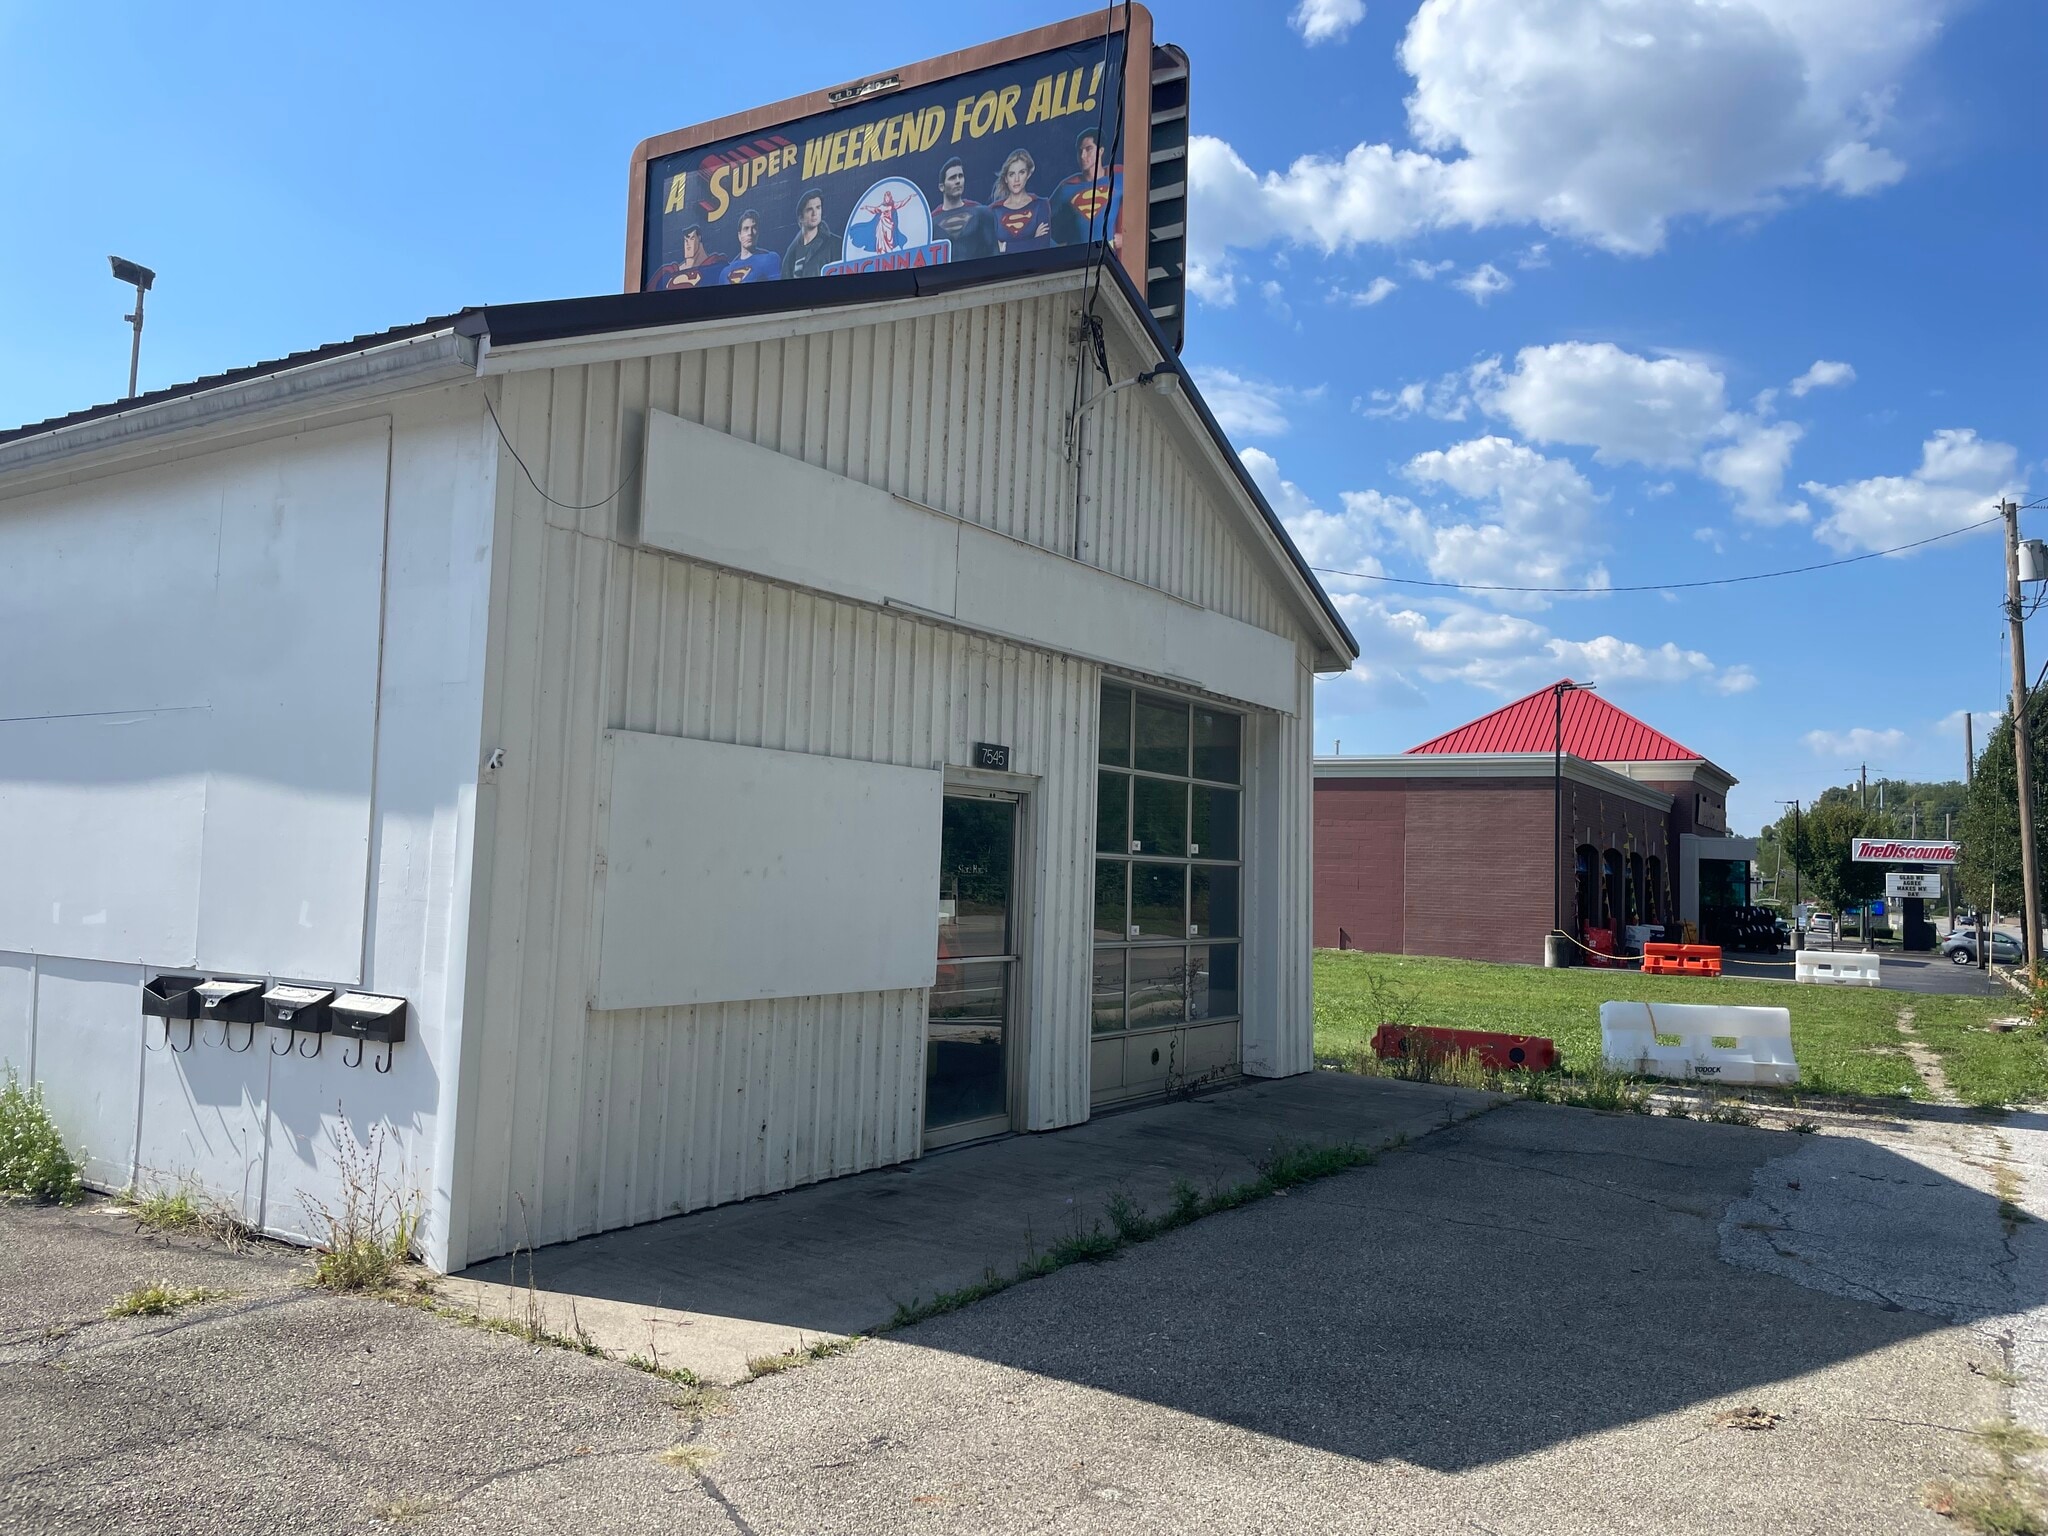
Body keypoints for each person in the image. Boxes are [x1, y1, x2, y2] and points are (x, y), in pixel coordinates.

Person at [1051, 126, 1123, 250]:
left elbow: (1141, 211)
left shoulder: (1120, 179)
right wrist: (1059, 251)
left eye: (1088, 149)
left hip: (1109, 261)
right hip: (1079, 261)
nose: (1083, 155)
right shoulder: (1066, 188)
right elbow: (1043, 221)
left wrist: (1128, 237)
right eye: (1080, 151)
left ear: (1100, 151)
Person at [930, 157, 996, 262]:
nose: (958, 181)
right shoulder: (931, 223)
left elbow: (993, 253)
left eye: (960, 176)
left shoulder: (982, 213)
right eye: (952, 178)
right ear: (942, 187)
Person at [988, 149, 1052, 253]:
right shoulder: (994, 211)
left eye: (1021, 172)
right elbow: (991, 250)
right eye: (1011, 174)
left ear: (1028, 174)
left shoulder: (1041, 205)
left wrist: (1005, 247)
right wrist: (1032, 241)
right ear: (1006, 178)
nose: (1016, 179)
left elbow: (1042, 246)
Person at [782, 188, 843, 280]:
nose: (815, 213)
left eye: (818, 207)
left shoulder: (835, 244)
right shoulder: (791, 253)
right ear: (800, 218)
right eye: (809, 209)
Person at [651, 225, 727, 289]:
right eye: (685, 240)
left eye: (691, 239)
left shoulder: (717, 268)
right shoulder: (666, 273)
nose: (688, 244)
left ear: (699, 238)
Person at [720, 210, 781, 283]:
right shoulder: (725, 272)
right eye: (746, 228)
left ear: (758, 233)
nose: (750, 233)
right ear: (739, 236)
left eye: (754, 228)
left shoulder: (770, 259)